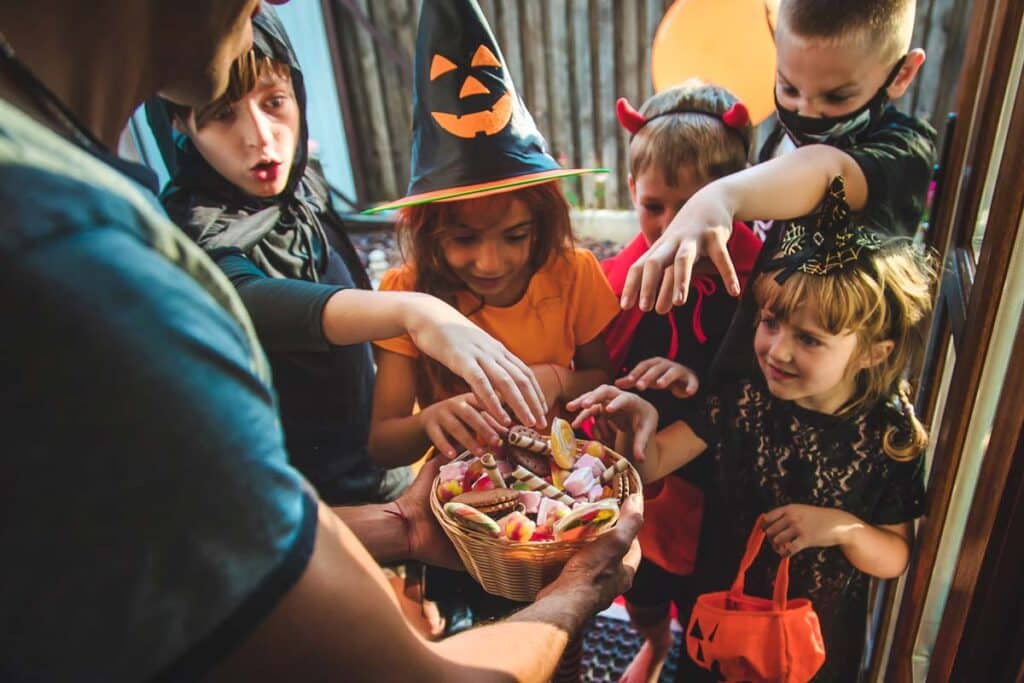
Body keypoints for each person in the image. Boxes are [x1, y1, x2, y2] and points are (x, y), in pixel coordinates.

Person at [0, 1, 642, 680]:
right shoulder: (72, 262)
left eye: (276, 102)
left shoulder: (86, 206)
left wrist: (402, 524)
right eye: (224, 112)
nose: (276, 2)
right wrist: (576, 590)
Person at [570, 178, 935, 681]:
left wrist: (840, 528)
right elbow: (652, 462)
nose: (778, 350)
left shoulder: (886, 433)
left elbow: (895, 555)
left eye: (809, 339)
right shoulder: (744, 399)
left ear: (875, 351)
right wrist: (630, 422)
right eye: (770, 323)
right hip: (720, 616)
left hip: (813, 642)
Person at [153, 9, 479, 504]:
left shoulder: (304, 182)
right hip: (312, 504)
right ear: (181, 124)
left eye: (275, 102)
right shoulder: (194, 231)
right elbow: (242, 295)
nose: (261, 137)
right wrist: (414, 310)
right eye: (223, 114)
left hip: (378, 462)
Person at [619, 0, 937, 373]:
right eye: (788, 88)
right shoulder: (782, 140)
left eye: (836, 97)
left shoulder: (902, 150)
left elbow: (824, 169)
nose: (806, 112)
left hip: (831, 387)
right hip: (761, 370)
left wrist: (718, 197)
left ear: (902, 74)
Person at [604, 80, 762, 683]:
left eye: (692, 206)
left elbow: (756, 375)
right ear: (632, 194)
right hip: (643, 472)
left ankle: (692, 655)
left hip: (717, 479)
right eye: (654, 207)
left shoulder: (756, 281)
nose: (673, 227)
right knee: (642, 590)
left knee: (705, 596)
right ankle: (654, 645)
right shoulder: (619, 274)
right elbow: (605, 352)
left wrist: (695, 372)